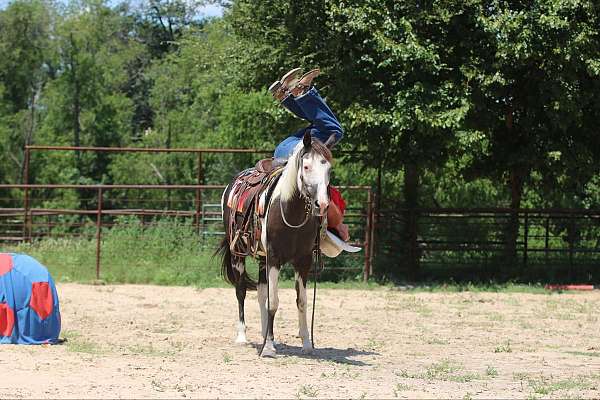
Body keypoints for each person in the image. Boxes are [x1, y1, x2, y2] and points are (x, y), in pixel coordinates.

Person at [268, 67, 350, 242]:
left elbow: (327, 208)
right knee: (319, 124)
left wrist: (339, 226)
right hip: (287, 149)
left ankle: (297, 93)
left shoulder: (327, 207)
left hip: (294, 153)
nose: (348, 233)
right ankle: (287, 95)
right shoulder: (319, 186)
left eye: (345, 234)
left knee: (335, 130)